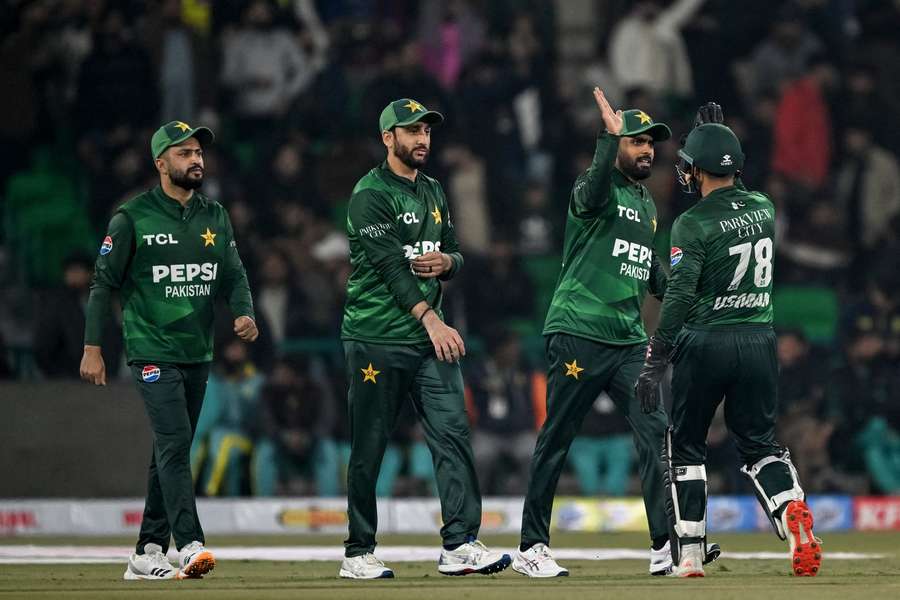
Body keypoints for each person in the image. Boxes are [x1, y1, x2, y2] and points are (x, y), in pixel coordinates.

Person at [635, 120, 822, 577]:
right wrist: (714, 141)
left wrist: (657, 354)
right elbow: (737, 197)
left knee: (686, 447)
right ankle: (789, 508)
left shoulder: (691, 222)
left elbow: (679, 294)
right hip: (759, 340)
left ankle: (692, 553)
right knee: (760, 446)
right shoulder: (764, 207)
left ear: (696, 170)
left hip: (705, 341)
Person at [515, 88, 682, 578]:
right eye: (637, 142)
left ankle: (662, 547)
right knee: (559, 436)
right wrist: (606, 141)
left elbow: (649, 268)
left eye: (652, 143)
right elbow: (589, 193)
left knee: (655, 433)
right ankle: (531, 546)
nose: (648, 149)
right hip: (579, 331)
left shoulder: (647, 204)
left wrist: (682, 288)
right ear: (617, 145)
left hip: (629, 340)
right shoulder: (597, 185)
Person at [80, 120, 258, 581]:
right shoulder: (131, 217)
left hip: (197, 351)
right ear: (160, 163)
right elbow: (102, 286)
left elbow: (234, 274)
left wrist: (244, 312)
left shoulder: (215, 215)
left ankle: (146, 550)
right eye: (183, 153)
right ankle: (190, 542)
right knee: (176, 444)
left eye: (198, 152)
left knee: (169, 448)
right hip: (151, 349)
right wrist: (93, 347)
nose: (195, 159)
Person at [338, 98, 509, 579]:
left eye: (426, 131)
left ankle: (459, 543)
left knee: (453, 434)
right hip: (376, 337)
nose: (422, 139)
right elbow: (392, 267)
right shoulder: (369, 194)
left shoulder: (433, 189)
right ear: (387, 138)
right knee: (369, 444)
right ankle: (358, 551)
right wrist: (432, 318)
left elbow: (452, 250)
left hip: (426, 340)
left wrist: (448, 264)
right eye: (410, 131)